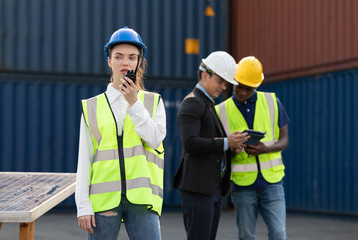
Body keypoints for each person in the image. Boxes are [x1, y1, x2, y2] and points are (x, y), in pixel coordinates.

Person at [75, 26, 166, 240]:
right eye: (119, 57)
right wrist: (83, 206)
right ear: (109, 61)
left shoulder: (153, 102)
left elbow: (154, 140)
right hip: (103, 200)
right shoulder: (92, 107)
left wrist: (134, 103)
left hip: (142, 199)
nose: (125, 63)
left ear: (139, 62)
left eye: (132, 57)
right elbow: (84, 160)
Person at [173, 51, 249, 240]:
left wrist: (231, 149)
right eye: (221, 81)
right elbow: (190, 143)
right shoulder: (192, 103)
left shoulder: (206, 104)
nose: (224, 87)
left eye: (226, 83)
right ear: (205, 75)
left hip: (209, 187)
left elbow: (209, 147)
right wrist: (226, 142)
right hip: (198, 188)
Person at [216, 56, 290, 240]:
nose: (241, 92)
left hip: (272, 182)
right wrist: (233, 150)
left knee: (279, 234)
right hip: (242, 185)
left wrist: (265, 149)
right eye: (238, 86)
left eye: (248, 89)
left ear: (256, 86)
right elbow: (218, 151)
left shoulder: (272, 102)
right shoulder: (221, 111)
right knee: (247, 236)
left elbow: (285, 140)